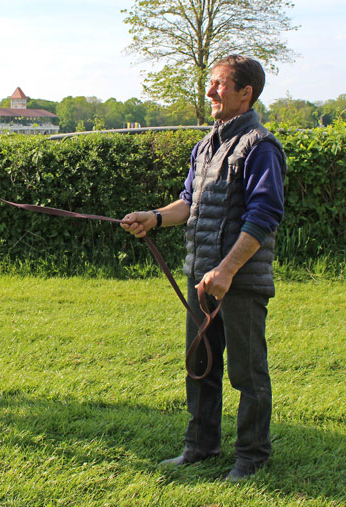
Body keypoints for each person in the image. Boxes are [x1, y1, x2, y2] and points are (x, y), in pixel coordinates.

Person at [120, 54, 285, 482]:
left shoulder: (260, 146)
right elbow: (189, 203)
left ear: (245, 93)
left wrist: (228, 270)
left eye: (219, 84)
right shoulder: (206, 145)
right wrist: (153, 217)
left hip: (240, 281)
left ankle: (251, 456)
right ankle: (201, 446)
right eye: (210, 84)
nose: (210, 91)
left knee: (247, 374)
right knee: (201, 364)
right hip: (201, 279)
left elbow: (264, 217)